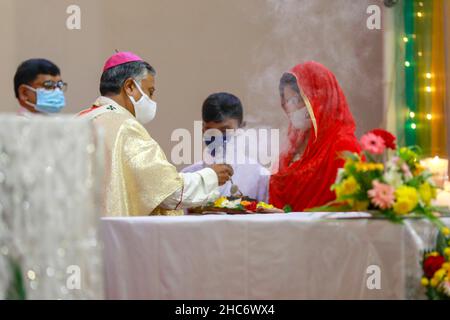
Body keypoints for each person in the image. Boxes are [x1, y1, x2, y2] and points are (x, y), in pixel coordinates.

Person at [77, 52, 233, 216]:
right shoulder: (125, 126)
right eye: (150, 92)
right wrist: (211, 177)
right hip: (110, 236)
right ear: (130, 86)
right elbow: (167, 192)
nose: (152, 99)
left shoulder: (79, 121)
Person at [269, 61, 361, 212]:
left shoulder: (344, 147)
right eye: (286, 102)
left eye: (297, 100)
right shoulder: (290, 147)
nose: (290, 108)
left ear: (320, 98)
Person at [182, 92, 269, 203]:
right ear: (203, 129)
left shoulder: (259, 176)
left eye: (224, 130)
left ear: (241, 129)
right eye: (210, 130)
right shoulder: (189, 176)